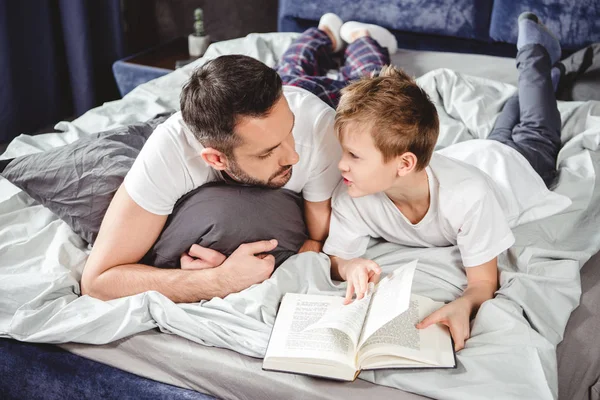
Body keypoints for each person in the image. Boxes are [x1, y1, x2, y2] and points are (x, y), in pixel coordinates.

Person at [80, 14, 397, 303]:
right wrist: (217, 280)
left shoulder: (316, 130)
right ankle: (325, 33)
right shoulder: (169, 152)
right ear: (215, 159)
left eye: (289, 133)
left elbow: (317, 240)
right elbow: (97, 282)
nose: (294, 155)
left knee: (359, 77)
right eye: (269, 152)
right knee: (294, 67)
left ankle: (359, 37)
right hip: (282, 108)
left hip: (314, 99)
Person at [322, 12, 564, 351]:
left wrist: (465, 303)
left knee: (535, 131)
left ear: (404, 163)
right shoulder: (353, 194)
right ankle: (543, 79)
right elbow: (337, 258)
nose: (341, 165)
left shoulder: (467, 198)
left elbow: (483, 281)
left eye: (354, 156)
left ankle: (536, 53)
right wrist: (350, 266)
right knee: (504, 125)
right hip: (472, 153)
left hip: (510, 168)